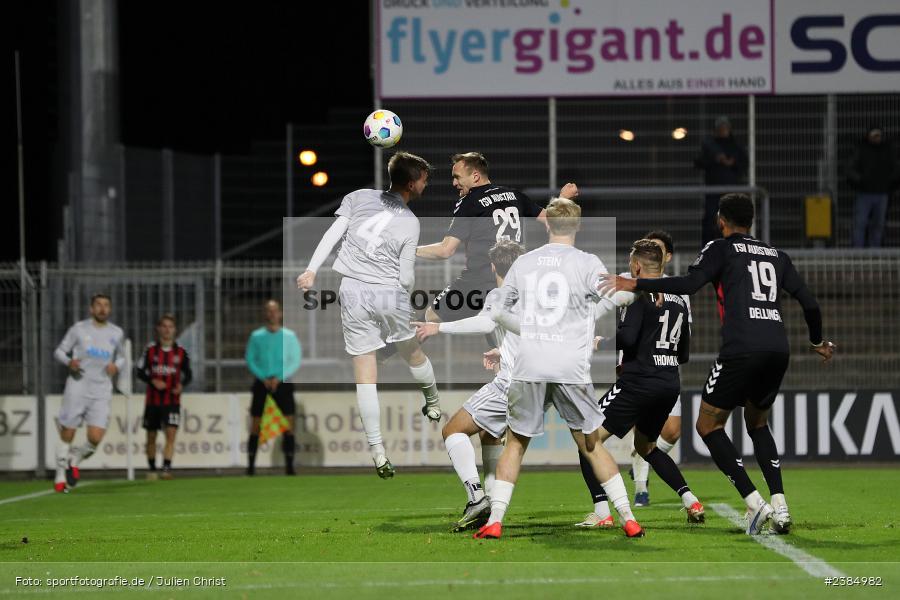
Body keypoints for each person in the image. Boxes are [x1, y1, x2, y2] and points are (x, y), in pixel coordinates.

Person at [600, 193, 836, 535]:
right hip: (777, 348)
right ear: (751, 221)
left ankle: (755, 503)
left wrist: (638, 283)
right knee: (757, 424)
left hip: (741, 348)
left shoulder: (720, 248)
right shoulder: (777, 255)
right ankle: (780, 504)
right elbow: (810, 303)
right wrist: (816, 342)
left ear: (721, 221)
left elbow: (691, 284)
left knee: (708, 426)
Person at [473, 197, 644, 540]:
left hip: (530, 363)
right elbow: (617, 295)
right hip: (569, 366)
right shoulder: (586, 262)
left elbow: (500, 312)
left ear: (547, 224)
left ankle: (495, 521)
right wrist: (624, 295)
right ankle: (628, 518)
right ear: (578, 226)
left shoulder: (524, 263)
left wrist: (529, 328)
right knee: (592, 445)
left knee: (516, 445)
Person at [297, 151, 441, 479]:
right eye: (424, 179)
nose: (426, 184)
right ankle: (432, 402)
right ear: (411, 183)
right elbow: (405, 278)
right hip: (387, 291)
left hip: (351, 290)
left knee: (365, 374)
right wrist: (405, 296)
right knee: (413, 352)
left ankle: (377, 452)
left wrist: (311, 270)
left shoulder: (359, 197)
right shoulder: (410, 222)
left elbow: (333, 233)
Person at [577, 240, 705, 528]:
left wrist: (602, 342)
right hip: (668, 383)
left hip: (638, 382)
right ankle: (690, 500)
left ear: (636, 267)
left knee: (588, 440)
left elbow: (627, 339)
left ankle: (602, 512)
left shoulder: (638, 294)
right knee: (647, 447)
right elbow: (684, 353)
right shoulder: (679, 299)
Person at [413, 239, 525, 532]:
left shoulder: (499, 294)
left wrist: (439, 326)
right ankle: (490, 506)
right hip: (539, 382)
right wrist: (502, 351)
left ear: (492, 267)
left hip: (510, 383)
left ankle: (477, 497)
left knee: (452, 430)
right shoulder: (534, 297)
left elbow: (485, 323)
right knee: (489, 435)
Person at [415, 152, 554, 324]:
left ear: (475, 176)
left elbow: (446, 250)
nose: (454, 183)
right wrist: (563, 201)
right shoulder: (515, 195)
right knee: (500, 332)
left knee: (431, 317)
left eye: (457, 177)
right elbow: (552, 221)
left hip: (478, 281)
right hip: (513, 280)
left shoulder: (470, 202)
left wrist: (410, 250)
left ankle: (383, 350)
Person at [52, 293, 127, 492]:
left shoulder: (116, 332)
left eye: (106, 305)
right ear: (91, 309)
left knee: (95, 438)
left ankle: (74, 459)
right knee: (68, 432)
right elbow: (59, 351)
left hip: (101, 390)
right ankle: (60, 477)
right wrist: (69, 362)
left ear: (109, 309)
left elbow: (121, 357)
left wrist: (116, 367)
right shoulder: (78, 329)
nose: (103, 309)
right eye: (99, 305)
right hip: (78, 386)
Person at [245, 300, 302, 476]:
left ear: (280, 313)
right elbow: (250, 359)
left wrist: (279, 377)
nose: (272, 314)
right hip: (262, 384)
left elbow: (295, 360)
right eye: (268, 311)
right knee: (256, 424)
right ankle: (251, 467)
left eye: (275, 310)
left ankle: (290, 467)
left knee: (289, 425)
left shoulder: (289, 336)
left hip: (283, 383)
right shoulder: (256, 336)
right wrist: (264, 377)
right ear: (265, 314)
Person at [136, 314, 192, 480]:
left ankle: (166, 469)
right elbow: (139, 371)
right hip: (153, 401)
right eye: (164, 326)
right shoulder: (150, 351)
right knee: (151, 435)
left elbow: (188, 374)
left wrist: (182, 385)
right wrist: (152, 380)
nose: (167, 330)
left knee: (171, 434)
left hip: (172, 401)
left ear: (175, 330)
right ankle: (152, 469)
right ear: (159, 329)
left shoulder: (181, 352)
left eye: (170, 327)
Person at [695, 116, 748, 245]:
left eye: (725, 128)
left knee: (733, 222)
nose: (723, 130)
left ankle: (734, 248)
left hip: (731, 193)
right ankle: (709, 250)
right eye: (720, 128)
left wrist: (732, 162)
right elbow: (698, 162)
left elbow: (744, 164)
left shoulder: (735, 146)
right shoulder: (709, 145)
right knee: (710, 223)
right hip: (713, 193)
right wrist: (716, 159)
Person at [847, 126, 900, 248]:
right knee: (861, 223)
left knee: (878, 224)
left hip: (881, 193)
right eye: (874, 135)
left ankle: (874, 250)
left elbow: (896, 168)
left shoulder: (887, 150)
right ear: (869, 136)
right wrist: (861, 180)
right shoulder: (862, 150)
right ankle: (858, 251)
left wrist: (888, 181)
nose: (877, 138)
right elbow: (850, 169)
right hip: (865, 193)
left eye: (878, 136)